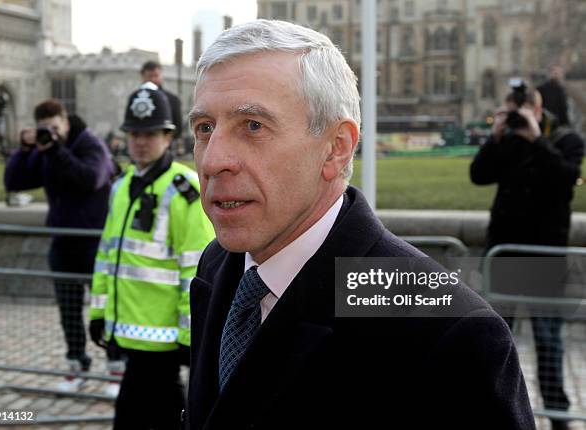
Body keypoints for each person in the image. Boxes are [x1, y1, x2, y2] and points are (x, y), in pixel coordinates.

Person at [185, 20, 535, 430]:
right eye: (205, 128)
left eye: (253, 126)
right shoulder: (218, 266)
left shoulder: (449, 333)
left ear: (336, 148)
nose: (212, 161)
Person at [89, 82, 214, 429]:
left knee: (149, 416)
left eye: (150, 134)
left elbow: (196, 268)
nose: (141, 142)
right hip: (127, 330)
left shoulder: (183, 190)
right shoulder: (121, 186)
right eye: (134, 134)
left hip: (163, 338)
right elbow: (107, 257)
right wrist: (100, 313)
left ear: (167, 137)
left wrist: (189, 338)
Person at [471, 83, 584, 430]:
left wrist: (538, 139)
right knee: (493, 335)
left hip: (543, 257)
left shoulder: (565, 140)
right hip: (504, 253)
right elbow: (479, 175)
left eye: (520, 112)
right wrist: (495, 136)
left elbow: (567, 179)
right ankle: (492, 404)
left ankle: (556, 413)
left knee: (548, 340)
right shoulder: (507, 140)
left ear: (538, 110)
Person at [4, 99, 115, 391]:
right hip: (62, 242)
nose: (50, 133)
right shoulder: (47, 150)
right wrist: (26, 149)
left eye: (54, 127)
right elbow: (14, 181)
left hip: (96, 243)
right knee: (68, 309)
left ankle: (116, 368)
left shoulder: (91, 144)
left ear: (65, 122)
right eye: (44, 129)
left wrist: (54, 150)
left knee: (107, 308)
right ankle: (76, 364)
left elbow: (89, 179)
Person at [141, 60, 183, 142]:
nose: (153, 79)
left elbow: (178, 129)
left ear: (161, 76)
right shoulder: (136, 99)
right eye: (149, 76)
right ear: (143, 76)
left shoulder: (173, 100)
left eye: (156, 76)